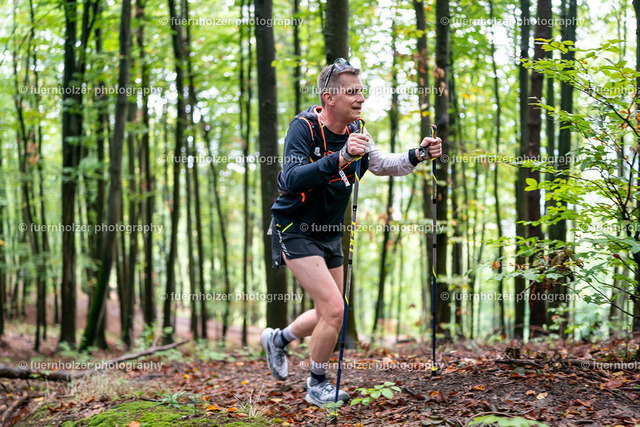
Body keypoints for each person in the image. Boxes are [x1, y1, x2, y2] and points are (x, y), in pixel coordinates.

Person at [261, 57, 442, 407]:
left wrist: (418, 154)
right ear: (329, 97)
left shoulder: (357, 128)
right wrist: (341, 157)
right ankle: (317, 383)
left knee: (328, 310)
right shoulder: (304, 128)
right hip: (295, 228)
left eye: (362, 91)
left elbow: (380, 164)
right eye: (352, 92)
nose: (361, 98)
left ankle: (278, 340)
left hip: (330, 232)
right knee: (334, 309)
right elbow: (291, 179)